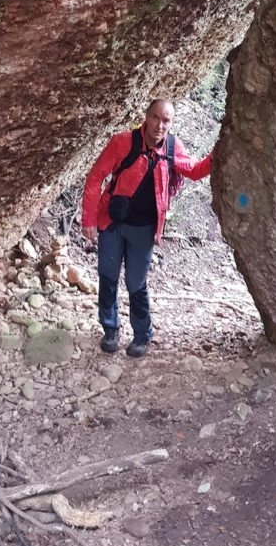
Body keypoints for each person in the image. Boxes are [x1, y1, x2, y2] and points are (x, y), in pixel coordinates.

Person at [81, 99, 212, 358]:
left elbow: (194, 171)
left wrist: (218, 153)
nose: (160, 125)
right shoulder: (122, 142)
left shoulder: (173, 148)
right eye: (155, 118)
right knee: (107, 275)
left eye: (166, 121)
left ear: (171, 123)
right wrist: (89, 219)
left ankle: (141, 334)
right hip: (113, 222)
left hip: (144, 228)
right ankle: (110, 329)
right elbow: (95, 177)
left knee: (135, 283)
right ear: (146, 117)